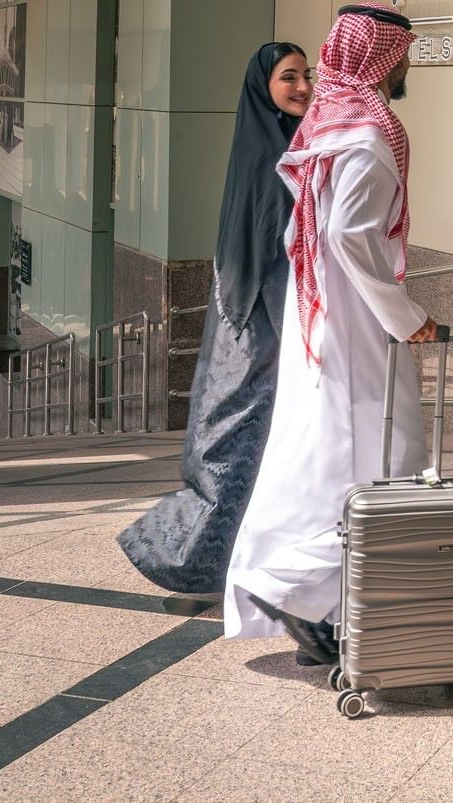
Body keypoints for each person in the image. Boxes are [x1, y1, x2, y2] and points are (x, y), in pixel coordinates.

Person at [224, 4, 438, 665]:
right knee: (383, 459)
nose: (404, 65)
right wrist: (405, 314)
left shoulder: (327, 127)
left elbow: (304, 232)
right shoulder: (369, 138)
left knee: (321, 462)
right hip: (353, 327)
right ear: (382, 56)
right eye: (399, 53)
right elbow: (347, 233)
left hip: (321, 320)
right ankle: (290, 588)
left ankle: (331, 618)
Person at [118, 42, 313, 594]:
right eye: (288, 77)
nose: (302, 86)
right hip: (261, 323)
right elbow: (276, 251)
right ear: (263, 88)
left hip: (249, 316)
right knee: (239, 439)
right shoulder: (273, 154)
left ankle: (219, 559)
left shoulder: (274, 141)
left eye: (307, 75)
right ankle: (188, 559)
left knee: (235, 436)